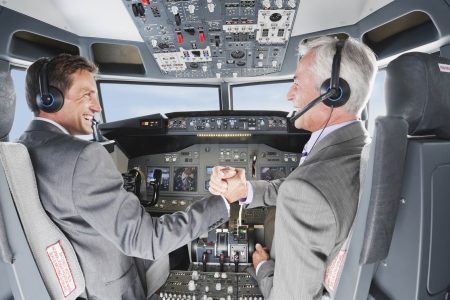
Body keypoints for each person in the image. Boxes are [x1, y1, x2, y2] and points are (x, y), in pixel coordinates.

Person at [19, 53, 234, 300]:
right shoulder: (83, 157)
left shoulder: (19, 150)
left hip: (73, 284)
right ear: (50, 99)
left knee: (177, 253)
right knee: (175, 251)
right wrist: (223, 201)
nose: (97, 107)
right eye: (87, 94)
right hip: (109, 288)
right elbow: (147, 241)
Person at [209, 36, 377, 299]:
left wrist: (262, 266)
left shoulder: (310, 188)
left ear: (332, 93)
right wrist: (245, 190)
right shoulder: (357, 150)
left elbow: (304, 193)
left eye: (297, 83)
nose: (289, 95)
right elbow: (300, 190)